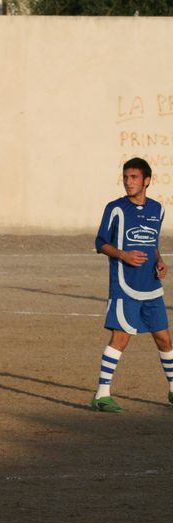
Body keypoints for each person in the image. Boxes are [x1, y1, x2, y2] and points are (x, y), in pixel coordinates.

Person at [91, 157, 173, 413]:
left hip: (151, 286)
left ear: (147, 180)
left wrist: (160, 260)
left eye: (134, 177)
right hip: (124, 286)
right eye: (126, 177)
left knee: (164, 338)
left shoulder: (158, 209)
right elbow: (100, 242)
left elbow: (152, 242)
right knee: (121, 338)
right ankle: (102, 395)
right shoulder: (115, 208)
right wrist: (123, 255)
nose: (128, 182)